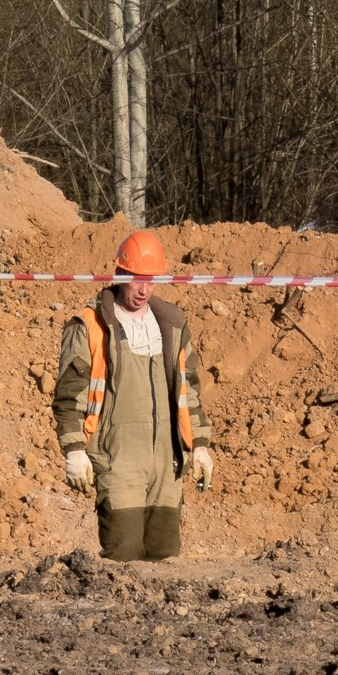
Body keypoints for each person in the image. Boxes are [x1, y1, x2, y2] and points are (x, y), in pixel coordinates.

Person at [52, 229, 216, 561]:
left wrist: (199, 446)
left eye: (150, 280)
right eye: (135, 279)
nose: (143, 289)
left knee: (163, 558)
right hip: (118, 461)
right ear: (119, 274)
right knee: (123, 560)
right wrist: (74, 450)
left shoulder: (172, 324)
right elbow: (70, 395)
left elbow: (190, 392)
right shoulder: (91, 325)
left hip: (166, 464)